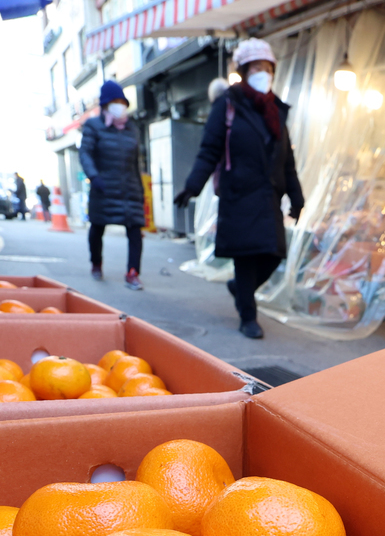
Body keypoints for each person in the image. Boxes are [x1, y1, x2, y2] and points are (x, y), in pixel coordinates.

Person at [175, 39, 303, 339]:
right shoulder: (228, 105)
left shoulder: (276, 111)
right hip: (239, 194)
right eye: (257, 67)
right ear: (244, 72)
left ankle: (240, 291)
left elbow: (288, 160)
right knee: (247, 257)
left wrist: (297, 197)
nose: (263, 73)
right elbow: (209, 149)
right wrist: (193, 186)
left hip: (269, 196)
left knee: (273, 255)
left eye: (268, 68)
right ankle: (248, 316)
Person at [79, 80, 147, 289]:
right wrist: (94, 176)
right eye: (115, 101)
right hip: (103, 186)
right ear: (106, 104)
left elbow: (136, 161)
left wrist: (141, 190)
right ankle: (96, 263)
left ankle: (133, 272)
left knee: (135, 230)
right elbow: (85, 153)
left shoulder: (131, 128)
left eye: (122, 101)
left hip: (130, 188)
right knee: (97, 227)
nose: (119, 105)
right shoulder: (93, 126)